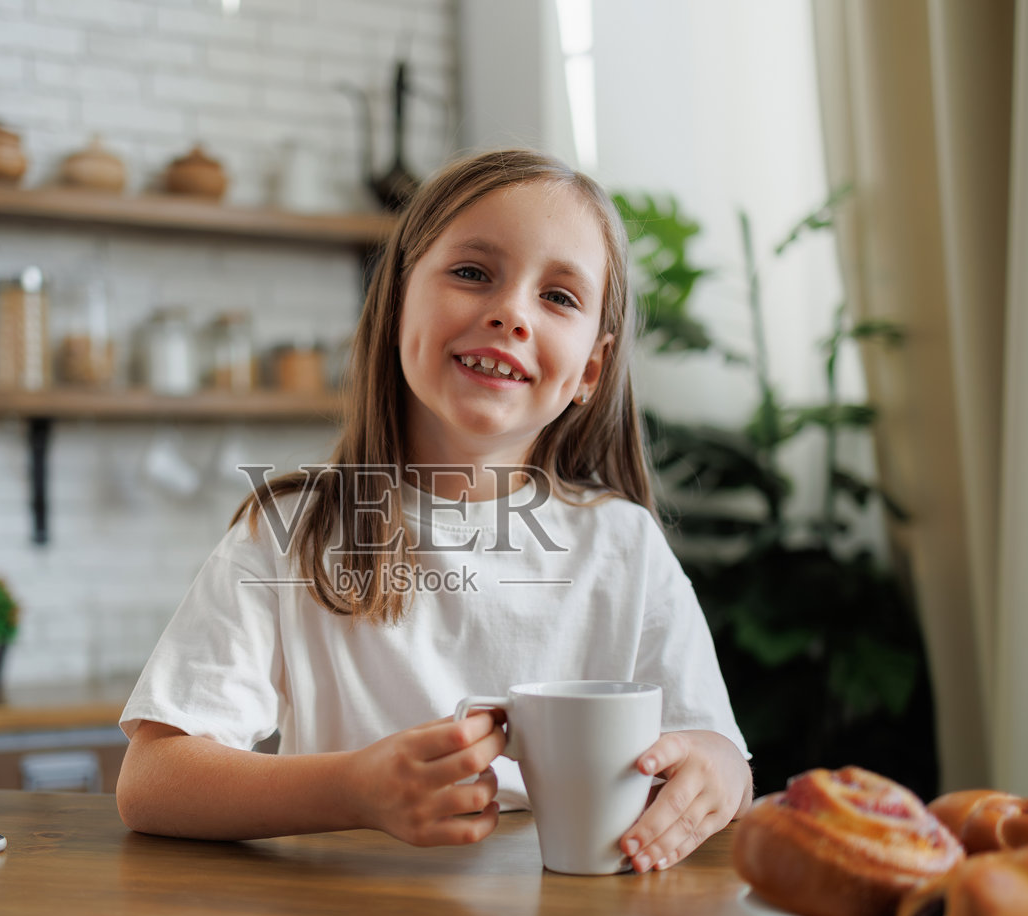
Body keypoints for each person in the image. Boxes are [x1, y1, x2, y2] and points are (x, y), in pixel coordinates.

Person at [116, 148, 752, 873]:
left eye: (559, 297)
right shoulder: (294, 534)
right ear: (395, 305)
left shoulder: (625, 546)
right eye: (473, 273)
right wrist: (353, 790)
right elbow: (151, 782)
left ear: (591, 370)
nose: (511, 312)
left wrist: (722, 770)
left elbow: (720, 760)